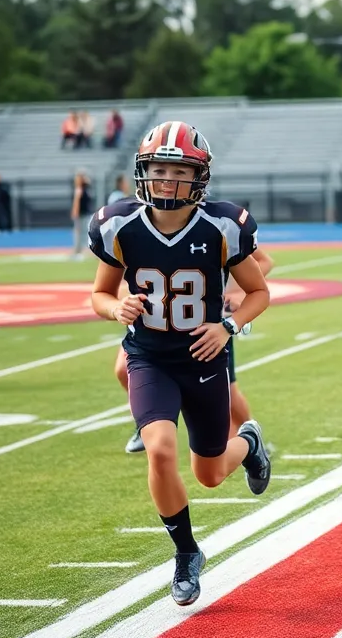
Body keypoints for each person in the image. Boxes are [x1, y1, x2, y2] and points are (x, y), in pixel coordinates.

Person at [88, 120, 273, 607]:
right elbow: (100, 293)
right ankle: (186, 553)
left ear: (199, 177)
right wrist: (115, 308)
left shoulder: (222, 225)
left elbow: (259, 292)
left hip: (202, 356)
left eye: (178, 171)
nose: (167, 181)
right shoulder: (119, 224)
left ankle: (249, 442)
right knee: (161, 449)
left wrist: (227, 327)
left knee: (210, 473)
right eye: (158, 170)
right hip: (149, 356)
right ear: (143, 173)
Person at [117, 245, 274, 453]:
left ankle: (252, 437)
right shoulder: (130, 223)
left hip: (203, 322)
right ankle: (145, 423)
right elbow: (116, 282)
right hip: (155, 322)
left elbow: (263, 262)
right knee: (123, 370)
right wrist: (123, 303)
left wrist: (230, 291)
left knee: (228, 390)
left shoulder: (218, 221)